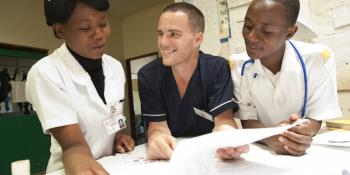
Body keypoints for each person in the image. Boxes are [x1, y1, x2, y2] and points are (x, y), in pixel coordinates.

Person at [25, 0, 135, 174]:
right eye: (85, 28)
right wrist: (82, 162)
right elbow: (73, 146)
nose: (99, 34)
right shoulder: (45, 72)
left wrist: (118, 137)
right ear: (60, 29)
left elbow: (113, 118)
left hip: (111, 163)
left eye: (103, 24)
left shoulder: (115, 66)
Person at [229, 0, 342, 156]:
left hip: (308, 151)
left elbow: (316, 118)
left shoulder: (319, 58)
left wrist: (301, 132)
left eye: (267, 31)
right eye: (248, 26)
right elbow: (247, 120)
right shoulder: (237, 65)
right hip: (262, 150)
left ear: (290, 33)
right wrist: (271, 137)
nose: (251, 37)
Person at [138, 2, 249, 160]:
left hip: (209, 155)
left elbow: (224, 121)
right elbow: (157, 127)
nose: (163, 42)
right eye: (160, 33)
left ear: (197, 39)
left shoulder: (217, 69)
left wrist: (227, 140)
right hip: (173, 157)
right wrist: (156, 139)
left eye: (173, 34)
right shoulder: (148, 76)